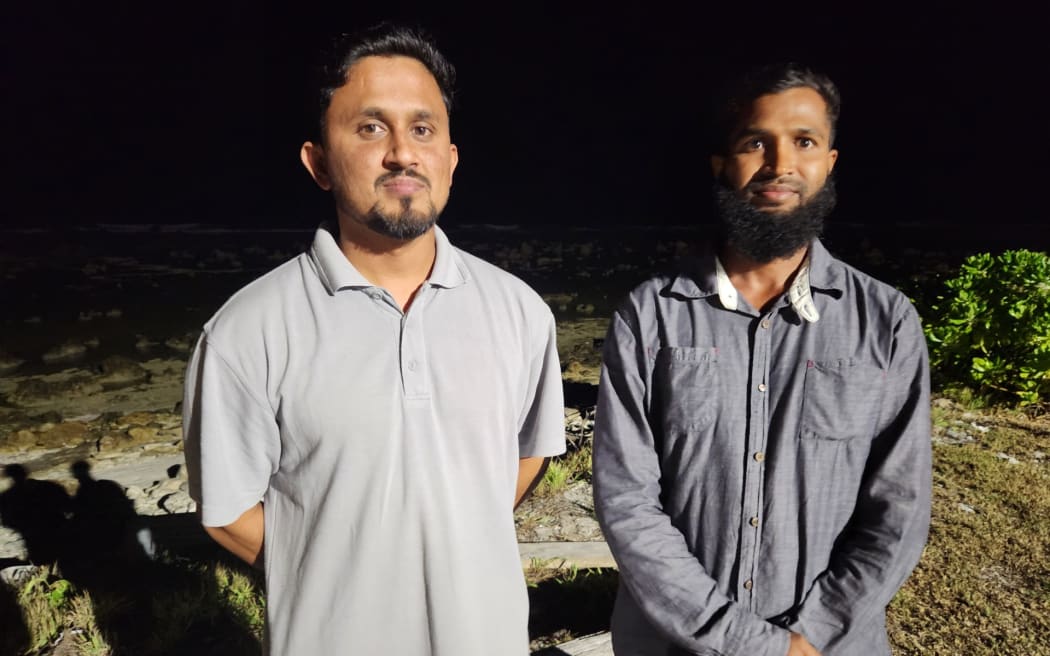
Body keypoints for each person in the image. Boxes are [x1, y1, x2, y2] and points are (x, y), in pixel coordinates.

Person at [182, 24, 565, 655]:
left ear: (450, 157)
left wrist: (456, 540)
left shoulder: (520, 312)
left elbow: (528, 455)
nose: (402, 154)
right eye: (369, 128)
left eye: (422, 129)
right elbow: (226, 512)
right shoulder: (246, 331)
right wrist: (338, 572)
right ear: (319, 164)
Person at [592, 63, 931, 656]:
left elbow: (898, 507)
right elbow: (626, 499)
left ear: (829, 162)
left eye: (804, 141)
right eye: (755, 142)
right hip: (674, 644)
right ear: (722, 164)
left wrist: (811, 636)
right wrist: (746, 644)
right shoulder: (650, 315)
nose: (780, 165)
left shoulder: (887, 323)